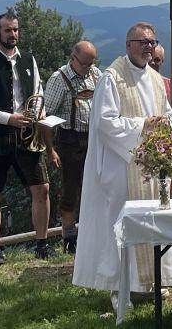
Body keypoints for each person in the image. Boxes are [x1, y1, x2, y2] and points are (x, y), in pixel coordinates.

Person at [72, 22, 172, 313]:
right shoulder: (112, 78)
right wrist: (143, 125)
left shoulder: (155, 78)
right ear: (128, 45)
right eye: (142, 42)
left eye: (152, 42)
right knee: (122, 226)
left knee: (153, 220)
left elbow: (167, 113)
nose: (148, 47)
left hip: (151, 165)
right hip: (122, 166)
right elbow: (106, 123)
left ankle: (149, 283)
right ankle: (121, 288)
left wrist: (170, 136)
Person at [0, 11, 53, 266]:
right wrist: (8, 118)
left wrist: (38, 113)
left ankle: (42, 244)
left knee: (42, 188)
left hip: (27, 134)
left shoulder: (28, 59)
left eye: (15, 30)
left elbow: (37, 91)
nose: (12, 34)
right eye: (7, 30)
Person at [43, 40, 101, 253]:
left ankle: (93, 235)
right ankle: (70, 240)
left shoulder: (95, 74)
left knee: (96, 188)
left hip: (94, 139)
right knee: (70, 190)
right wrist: (50, 150)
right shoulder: (59, 79)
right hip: (70, 140)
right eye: (84, 63)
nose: (87, 67)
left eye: (91, 62)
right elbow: (46, 116)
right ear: (72, 58)